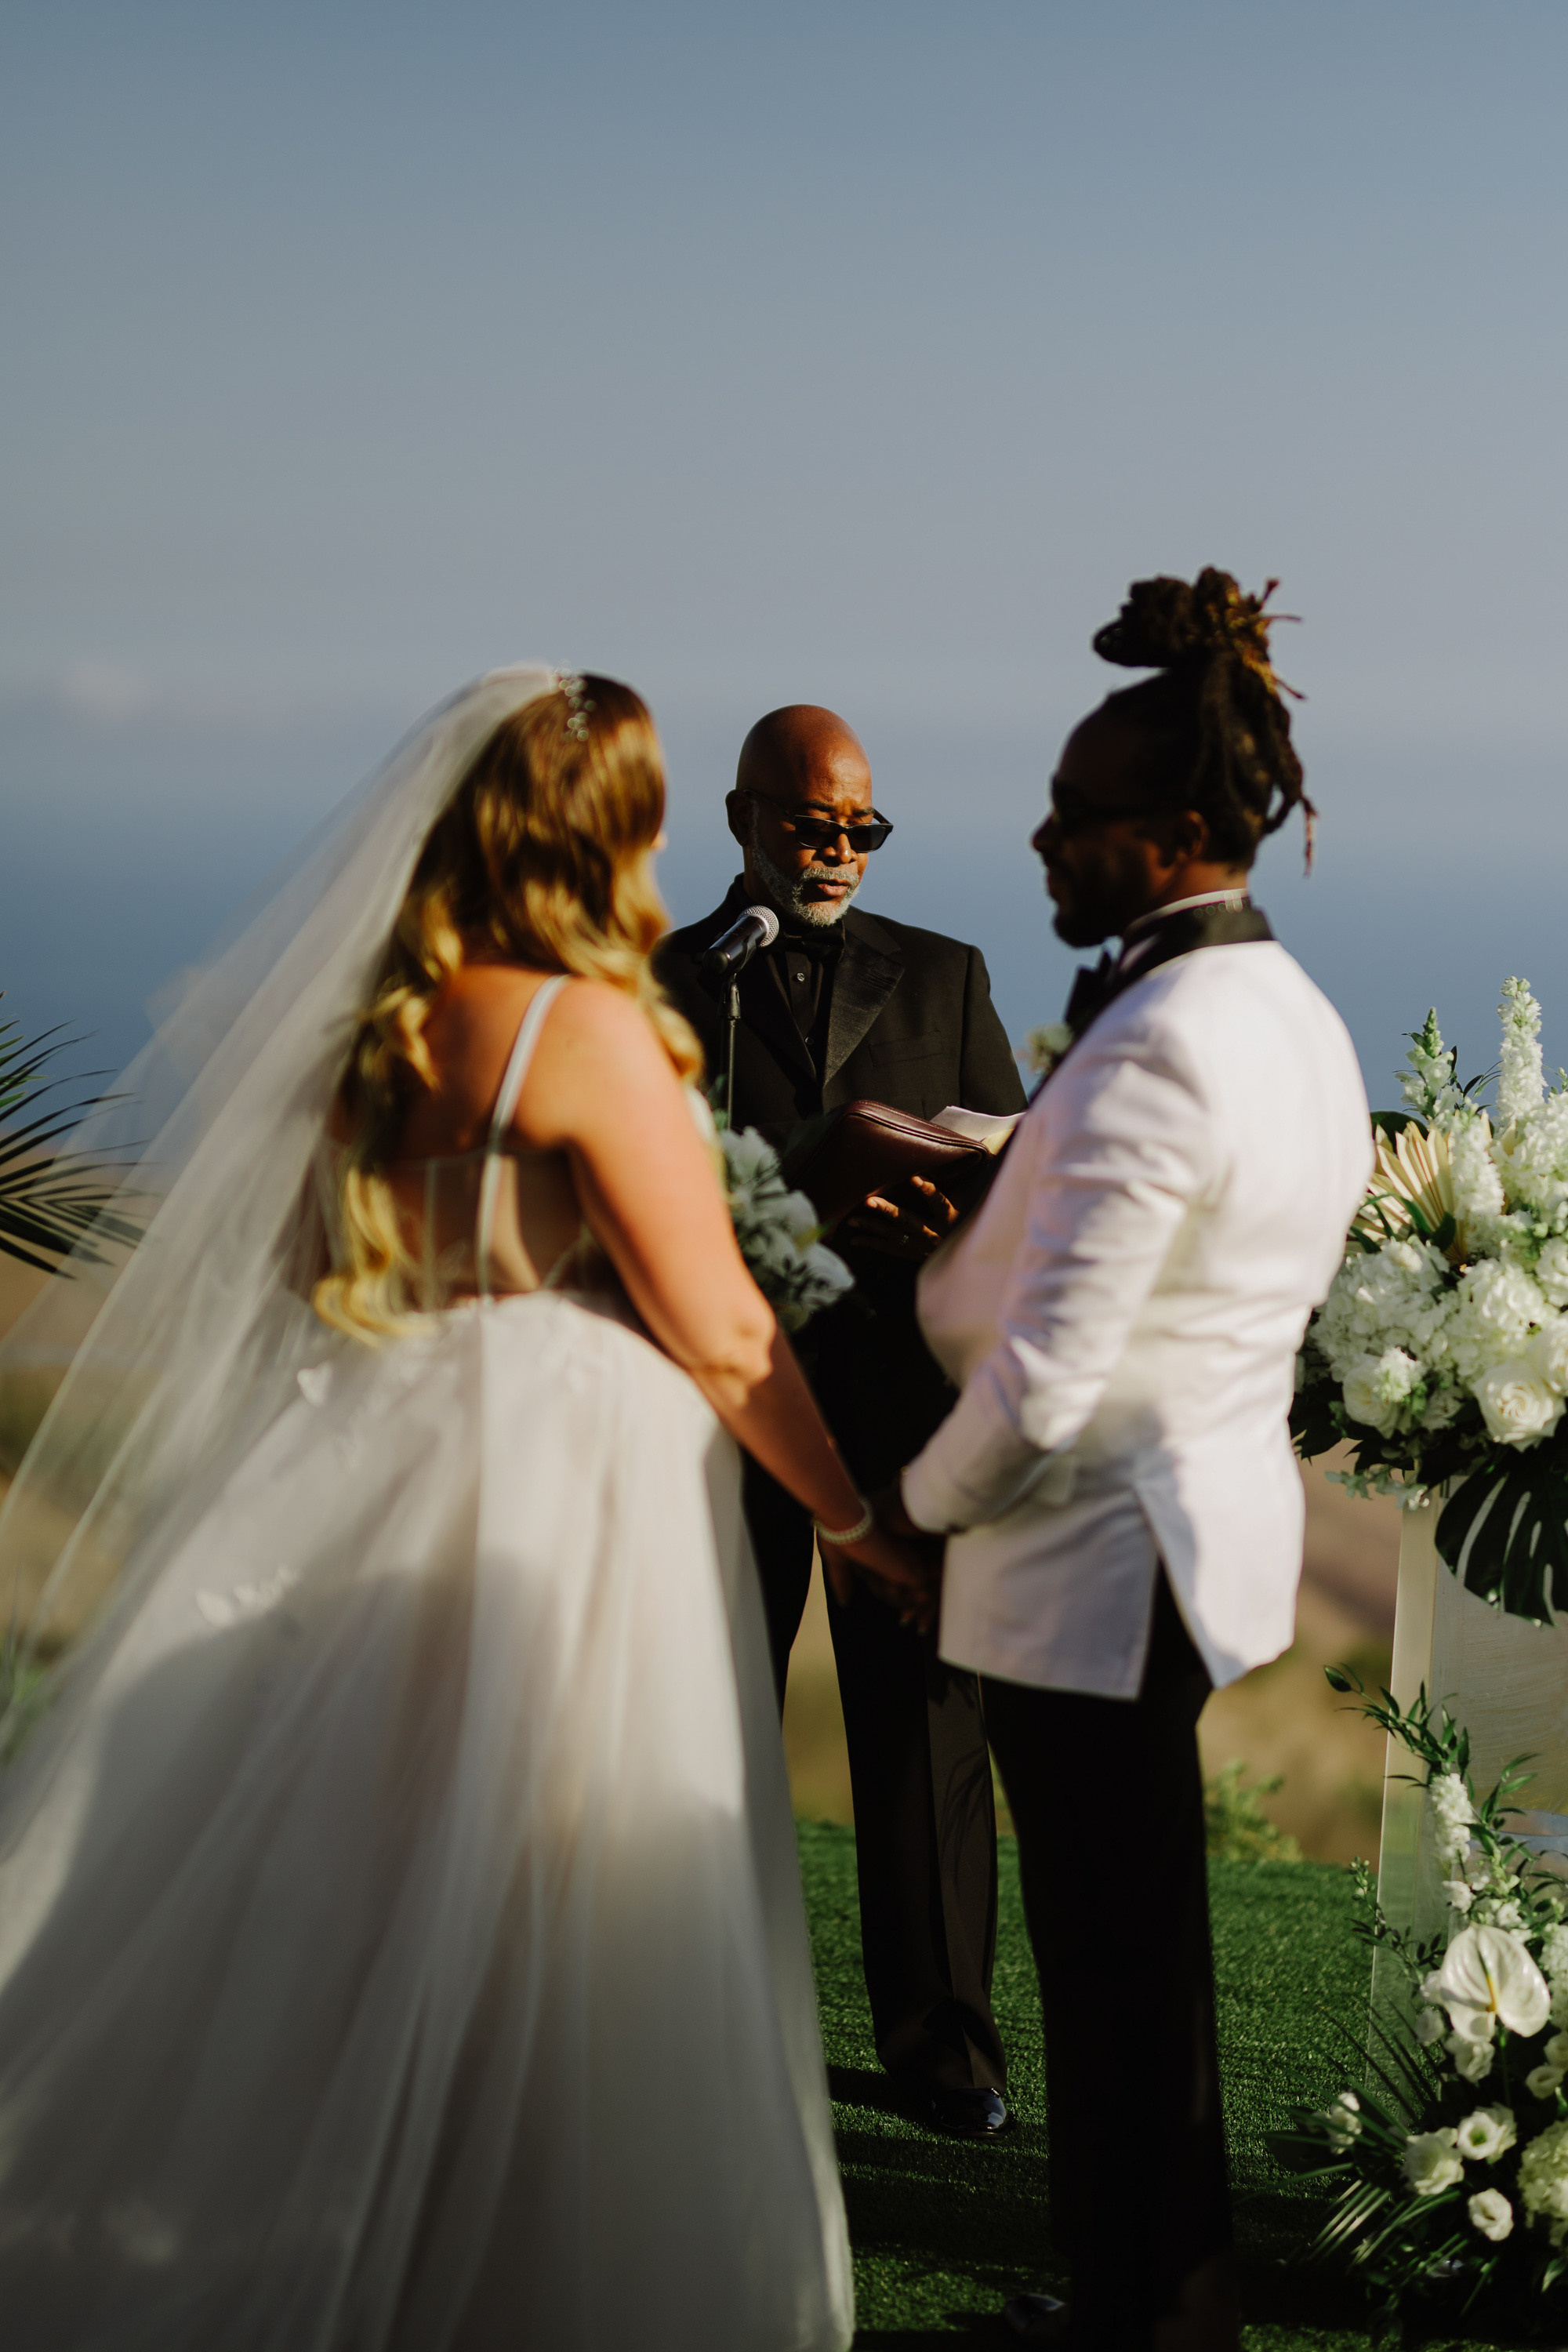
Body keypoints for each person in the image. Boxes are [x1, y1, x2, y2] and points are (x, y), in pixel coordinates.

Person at [0, 668, 928, 2350]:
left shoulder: (379, 1029)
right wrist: (853, 1524)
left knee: (353, 1872)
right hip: (557, 1494)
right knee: (561, 1886)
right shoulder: (580, 1030)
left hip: (368, 1448)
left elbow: (301, 1270)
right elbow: (722, 1324)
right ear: (617, 826)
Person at [875, 575, 1374, 2350]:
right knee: (1125, 1970)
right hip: (1181, 1547)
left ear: (1169, 836)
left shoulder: (1159, 1040)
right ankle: (1141, 2298)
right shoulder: (1284, 1013)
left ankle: (1151, 2320)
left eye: (1072, 815)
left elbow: (1053, 1381)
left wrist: (899, 1515)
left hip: (1090, 1565)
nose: (1039, 835)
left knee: (1113, 1978)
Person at [655, 706, 1025, 2138]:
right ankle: (698, 2026)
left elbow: (1014, 1189)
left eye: (863, 827)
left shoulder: (949, 973)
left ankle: (948, 2059)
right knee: (703, 1717)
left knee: (929, 1734)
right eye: (812, 823)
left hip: (904, 1412)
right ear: (742, 819)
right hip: (719, 1411)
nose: (839, 850)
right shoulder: (664, 985)